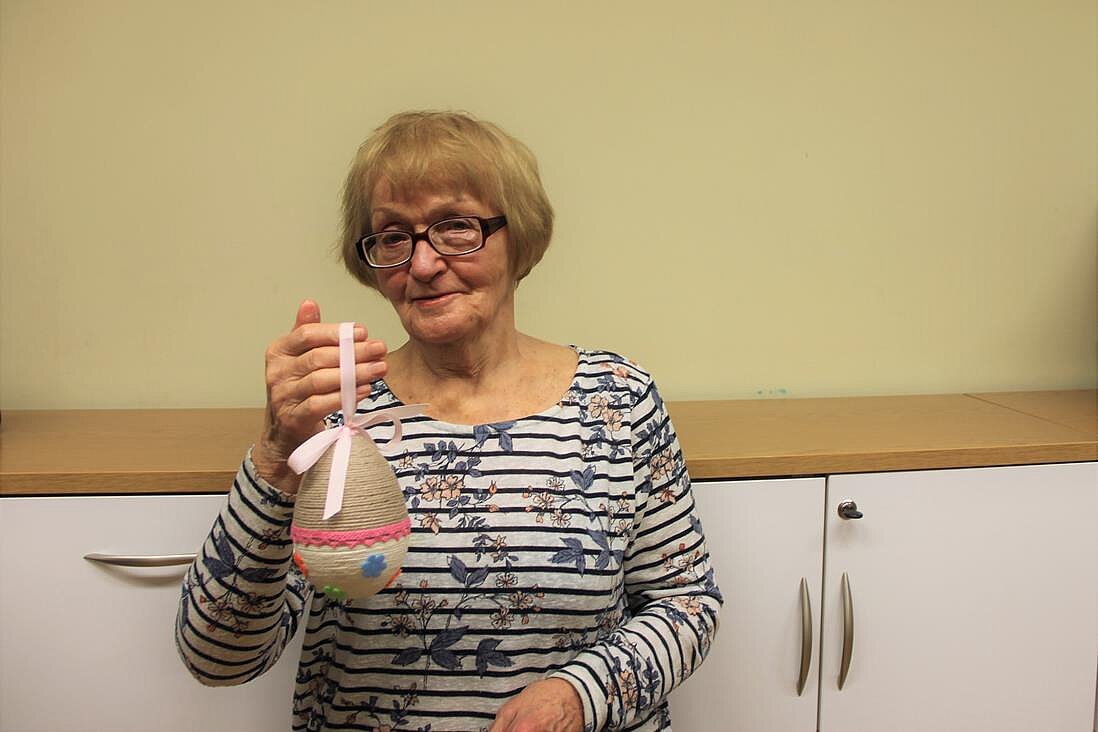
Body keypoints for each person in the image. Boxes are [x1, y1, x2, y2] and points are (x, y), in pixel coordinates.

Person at [176, 111, 722, 732]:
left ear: (519, 235)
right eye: (392, 237)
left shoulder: (618, 398)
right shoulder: (335, 417)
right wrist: (277, 456)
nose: (423, 264)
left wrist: (579, 698)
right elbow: (217, 657)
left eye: (455, 226)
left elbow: (686, 604)